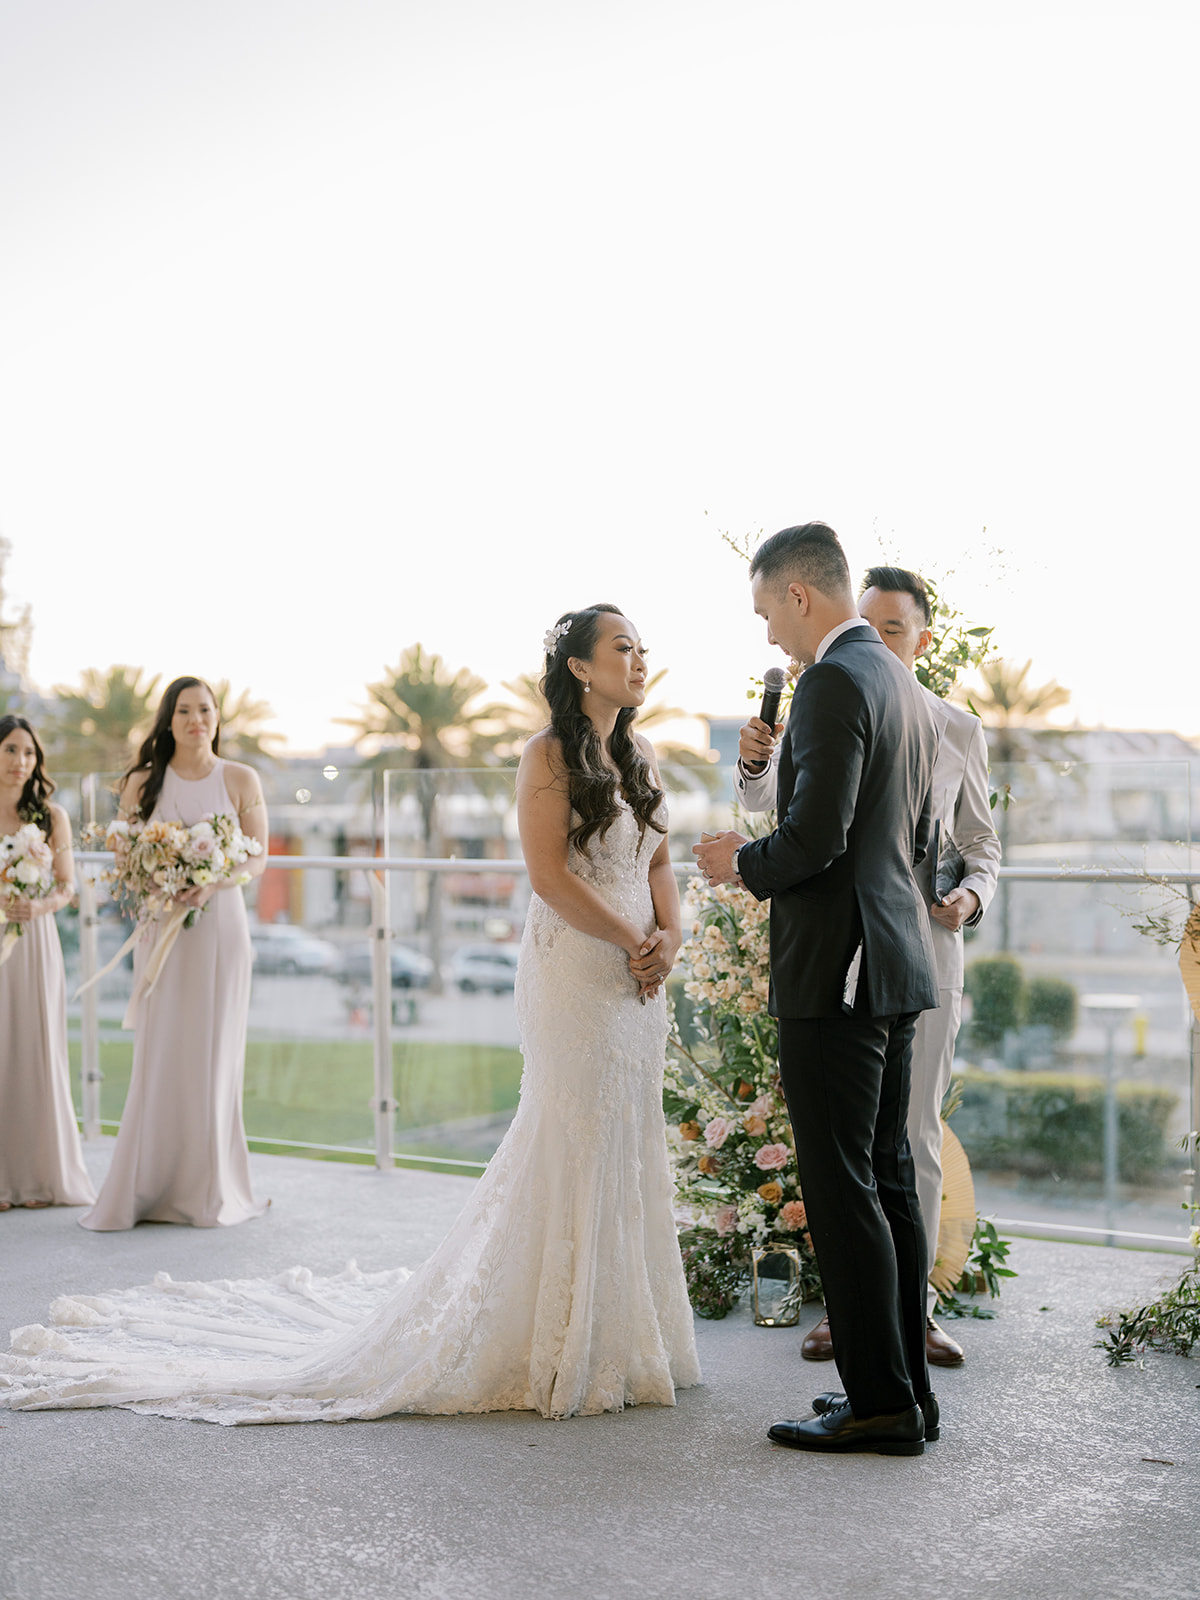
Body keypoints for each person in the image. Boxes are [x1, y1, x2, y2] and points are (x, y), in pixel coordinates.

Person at [1, 608, 700, 1423]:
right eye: (624, 647)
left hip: (638, 980)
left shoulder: (642, 755)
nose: (640, 659)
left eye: (643, 649)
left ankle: (624, 1331)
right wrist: (628, 939)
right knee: (571, 1130)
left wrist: (670, 937)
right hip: (580, 972)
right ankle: (562, 1332)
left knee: (627, 1132)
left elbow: (657, 858)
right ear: (581, 667)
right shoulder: (545, 754)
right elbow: (547, 873)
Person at [695, 523, 940, 1456]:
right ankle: (908, 1392)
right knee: (886, 1180)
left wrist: (736, 862)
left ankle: (878, 1405)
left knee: (842, 1190)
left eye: (767, 613)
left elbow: (817, 839)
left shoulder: (836, 679)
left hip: (837, 970)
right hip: (892, 959)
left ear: (801, 595)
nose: (768, 638)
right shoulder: (896, 677)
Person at [737, 565, 1001, 1368]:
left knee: (900, 1145)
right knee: (879, 1152)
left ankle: (902, 1322)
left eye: (896, 628)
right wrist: (756, 766)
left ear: (921, 638)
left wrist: (971, 897)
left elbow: (973, 845)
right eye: (873, 623)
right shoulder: (847, 691)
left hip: (904, 950)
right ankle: (879, 1338)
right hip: (876, 951)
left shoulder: (937, 720)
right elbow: (778, 801)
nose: (882, 637)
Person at [79, 677, 270, 1231]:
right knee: (162, 1050)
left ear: (217, 717)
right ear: (168, 720)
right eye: (184, 711)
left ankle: (212, 1188)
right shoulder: (143, 782)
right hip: (160, 925)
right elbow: (124, 858)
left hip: (222, 925)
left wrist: (211, 882)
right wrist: (161, 878)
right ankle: (149, 1185)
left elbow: (256, 860)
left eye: (205, 710)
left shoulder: (240, 777)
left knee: (216, 1053)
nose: (195, 720)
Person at [0, 716, 95, 1210]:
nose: (21, 762)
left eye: (30, 753)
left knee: (35, 1051)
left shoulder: (52, 816)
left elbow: (68, 887)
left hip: (33, 939)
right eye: (11, 750)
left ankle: (37, 1175)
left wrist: (37, 907)